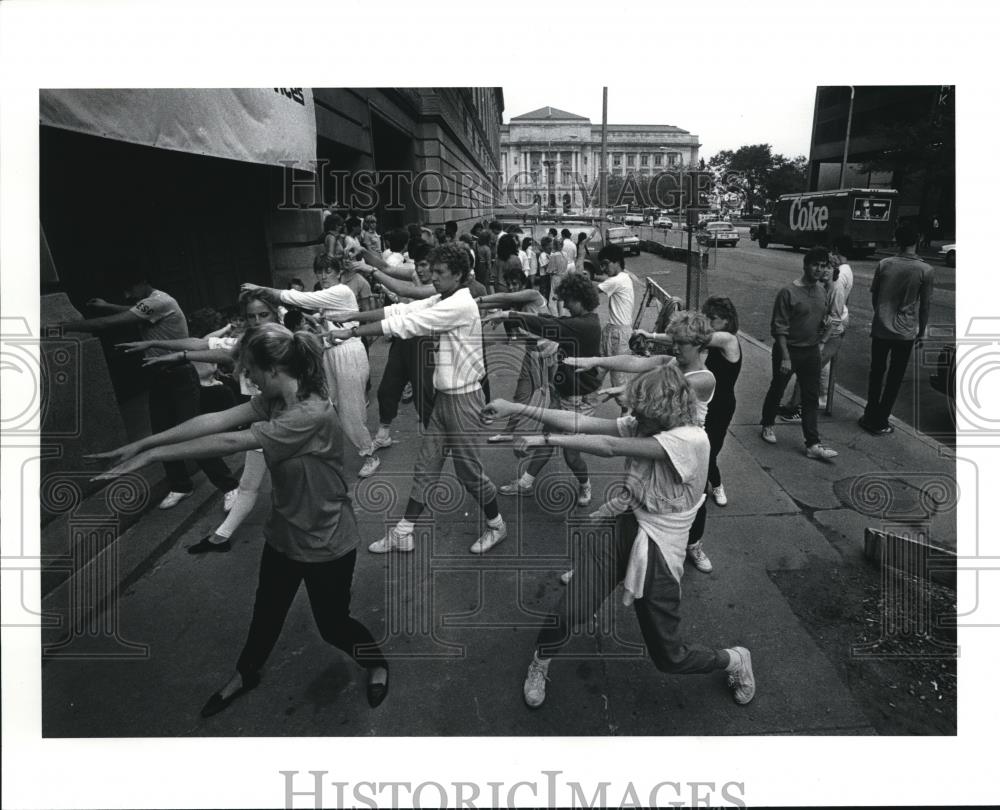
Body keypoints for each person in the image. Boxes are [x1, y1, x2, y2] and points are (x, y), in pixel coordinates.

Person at [89, 324, 390, 716]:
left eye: (250, 369)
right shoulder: (275, 399)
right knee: (266, 614)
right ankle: (246, 673)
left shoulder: (309, 413)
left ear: (274, 368)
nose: (244, 376)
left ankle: (375, 662)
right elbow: (217, 420)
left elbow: (232, 440)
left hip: (328, 541)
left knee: (333, 626)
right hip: (284, 534)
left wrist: (152, 458)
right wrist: (145, 442)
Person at [481, 365, 756, 710]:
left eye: (640, 411)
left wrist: (544, 439)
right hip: (627, 522)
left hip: (658, 544)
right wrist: (517, 407)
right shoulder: (649, 423)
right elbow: (581, 422)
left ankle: (733, 659)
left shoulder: (690, 439)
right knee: (569, 610)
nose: (631, 416)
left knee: (669, 657)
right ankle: (541, 660)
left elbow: (609, 445)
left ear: (663, 411)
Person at [321, 243, 507, 555]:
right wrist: (353, 316)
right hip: (446, 399)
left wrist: (352, 332)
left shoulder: (459, 304)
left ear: (459, 274)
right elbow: (401, 310)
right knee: (426, 466)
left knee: (469, 473)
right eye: (431, 270)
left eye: (439, 272)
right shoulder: (446, 296)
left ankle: (497, 526)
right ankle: (403, 531)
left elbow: (407, 324)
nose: (432, 277)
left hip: (465, 400)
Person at [118, 290, 287, 552]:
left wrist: (152, 452)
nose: (256, 321)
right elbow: (206, 348)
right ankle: (222, 534)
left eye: (262, 314)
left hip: (290, 425)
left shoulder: (283, 343)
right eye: (250, 316)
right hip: (267, 417)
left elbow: (227, 438)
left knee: (293, 483)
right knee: (252, 482)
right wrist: (174, 352)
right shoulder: (256, 371)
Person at [56, 266, 238, 509]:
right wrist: (107, 305)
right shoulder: (151, 303)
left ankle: (229, 486)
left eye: (130, 289)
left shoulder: (160, 301)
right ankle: (180, 485)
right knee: (160, 432)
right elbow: (130, 312)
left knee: (191, 433)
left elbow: (110, 323)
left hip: (180, 375)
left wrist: (63, 326)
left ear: (141, 282)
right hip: (158, 375)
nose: (128, 295)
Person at [565, 311, 718, 574]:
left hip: (679, 456)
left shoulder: (704, 378)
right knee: (632, 504)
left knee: (684, 510)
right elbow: (635, 362)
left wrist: (628, 393)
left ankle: (690, 547)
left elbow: (665, 394)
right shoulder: (672, 361)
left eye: (682, 344)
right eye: (674, 342)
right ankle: (594, 571)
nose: (675, 348)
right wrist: (597, 360)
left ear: (700, 346)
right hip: (653, 442)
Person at [242, 256, 382, 479]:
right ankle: (330, 451)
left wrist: (265, 290)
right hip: (330, 353)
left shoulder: (342, 291)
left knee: (351, 410)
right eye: (319, 272)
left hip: (349, 352)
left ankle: (369, 454)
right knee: (325, 403)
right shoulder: (329, 297)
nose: (323, 276)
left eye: (328, 271)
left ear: (338, 272)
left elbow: (304, 298)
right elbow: (313, 310)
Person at [487, 273, 603, 507]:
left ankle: (585, 484)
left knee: (571, 454)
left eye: (568, 300)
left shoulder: (585, 326)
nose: (566, 305)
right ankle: (526, 483)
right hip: (566, 393)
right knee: (548, 435)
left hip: (578, 399)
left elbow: (550, 324)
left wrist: (511, 315)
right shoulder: (584, 321)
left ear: (579, 298)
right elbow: (550, 319)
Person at [759, 248, 838, 460]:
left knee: (810, 396)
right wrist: (785, 355)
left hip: (811, 351)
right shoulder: (788, 292)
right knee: (778, 388)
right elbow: (779, 327)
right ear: (805, 265)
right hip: (789, 350)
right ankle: (767, 424)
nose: (819, 270)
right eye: (815, 265)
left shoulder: (822, 292)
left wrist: (824, 328)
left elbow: (821, 319)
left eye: (823, 266)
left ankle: (813, 444)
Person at [859, 223, 934, 435]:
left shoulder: (884, 264)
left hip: (881, 328)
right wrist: (921, 332)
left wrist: (882, 316)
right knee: (895, 376)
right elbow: (925, 305)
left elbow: (875, 296)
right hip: (905, 332)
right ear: (917, 239)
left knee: (876, 372)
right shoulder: (925, 270)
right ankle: (881, 420)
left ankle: (869, 414)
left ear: (897, 240)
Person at [476, 268, 558, 443]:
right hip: (533, 354)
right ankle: (509, 431)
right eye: (510, 284)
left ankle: (557, 430)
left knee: (557, 392)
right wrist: (473, 305)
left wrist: (479, 299)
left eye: (516, 284)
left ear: (523, 284)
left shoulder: (534, 295)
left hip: (554, 350)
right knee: (522, 394)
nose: (512, 287)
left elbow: (505, 298)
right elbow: (496, 304)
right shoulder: (515, 307)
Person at [779, 236, 853, 416]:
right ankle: (795, 405)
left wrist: (822, 342)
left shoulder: (834, 288)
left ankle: (797, 408)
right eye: (821, 266)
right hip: (826, 332)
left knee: (808, 374)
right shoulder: (827, 284)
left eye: (827, 267)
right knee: (811, 372)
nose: (822, 271)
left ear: (834, 268)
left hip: (832, 334)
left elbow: (835, 318)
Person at [595, 244, 636, 411]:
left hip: (619, 334)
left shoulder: (618, 280)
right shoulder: (623, 277)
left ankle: (628, 416)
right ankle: (586, 404)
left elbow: (592, 289)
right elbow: (605, 280)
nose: (604, 268)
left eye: (606, 264)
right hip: (613, 330)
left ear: (616, 262)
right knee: (597, 370)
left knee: (618, 380)